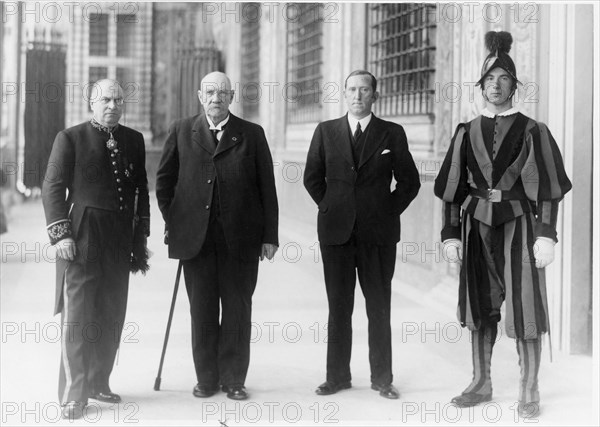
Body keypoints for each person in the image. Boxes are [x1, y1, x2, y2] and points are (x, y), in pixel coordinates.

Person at [434, 31, 572, 418]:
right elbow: (452, 190)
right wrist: (449, 236)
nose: (496, 86)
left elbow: (547, 189)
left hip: (519, 228)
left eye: (504, 79)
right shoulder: (466, 131)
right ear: (481, 87)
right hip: (475, 227)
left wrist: (546, 235)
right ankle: (481, 381)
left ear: (515, 85)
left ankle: (529, 387)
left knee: (527, 308)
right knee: (479, 307)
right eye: (490, 80)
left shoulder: (533, 131)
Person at [155, 71, 279, 401]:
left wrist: (270, 236)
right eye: (209, 92)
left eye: (222, 92)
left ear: (232, 96)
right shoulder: (182, 131)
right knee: (203, 311)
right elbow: (164, 184)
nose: (215, 98)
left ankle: (234, 379)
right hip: (196, 242)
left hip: (241, 240)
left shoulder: (251, 134)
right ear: (200, 96)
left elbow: (267, 187)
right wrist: (176, 221)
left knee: (238, 310)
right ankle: (207, 379)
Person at [304, 70, 421, 399]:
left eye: (364, 90)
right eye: (352, 89)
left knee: (378, 306)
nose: (357, 95)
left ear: (375, 96)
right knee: (338, 307)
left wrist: (386, 210)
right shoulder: (326, 131)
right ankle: (337, 376)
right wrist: (331, 207)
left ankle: (383, 378)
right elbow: (312, 178)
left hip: (378, 235)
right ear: (344, 93)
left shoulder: (391, 133)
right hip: (336, 235)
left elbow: (409, 182)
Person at [42, 79, 150, 420]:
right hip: (83, 236)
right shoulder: (70, 138)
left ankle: (99, 381)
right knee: (79, 317)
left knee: (111, 311)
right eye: (105, 99)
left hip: (119, 238)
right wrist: (61, 235)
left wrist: (139, 240)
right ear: (91, 101)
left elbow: (140, 191)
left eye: (118, 99)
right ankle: (74, 394)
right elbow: (53, 186)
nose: (113, 105)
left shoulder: (134, 140)